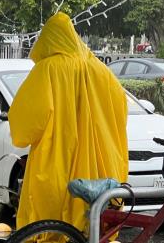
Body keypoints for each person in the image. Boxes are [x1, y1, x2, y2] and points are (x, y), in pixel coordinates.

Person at [8, 12, 129, 237]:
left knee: (51, 228)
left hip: (56, 163)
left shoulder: (48, 69)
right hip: (102, 164)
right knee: (97, 229)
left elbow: (26, 121)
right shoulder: (102, 71)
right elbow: (121, 112)